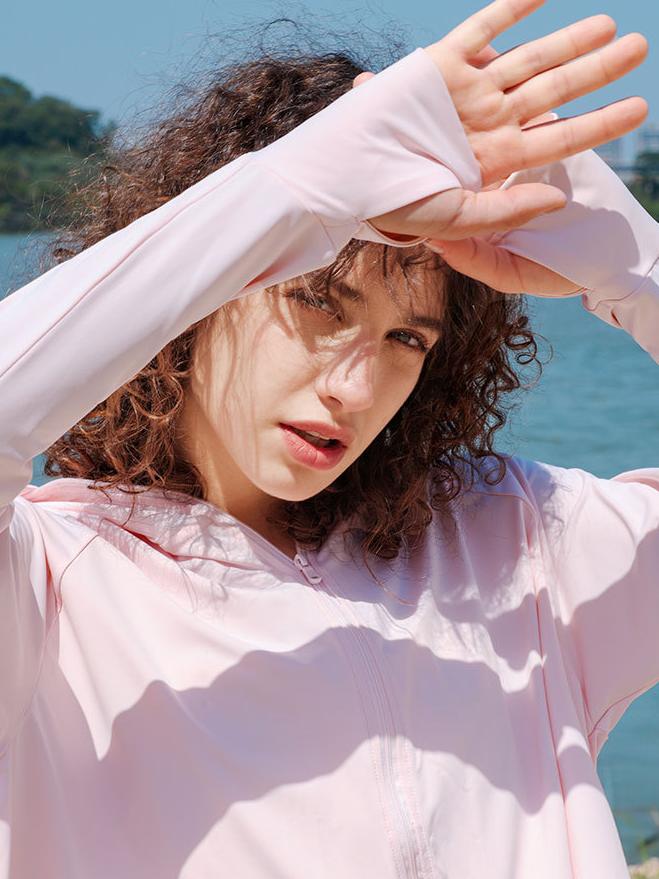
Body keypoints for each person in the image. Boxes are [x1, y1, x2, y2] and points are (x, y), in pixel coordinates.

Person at [0, 0, 656, 875]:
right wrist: (296, 191)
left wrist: (635, 269)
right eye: (317, 301)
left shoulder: (525, 548)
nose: (354, 387)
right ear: (207, 292)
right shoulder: (46, 586)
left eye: (406, 337)